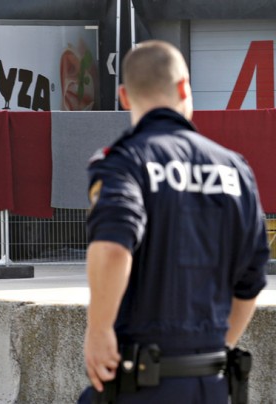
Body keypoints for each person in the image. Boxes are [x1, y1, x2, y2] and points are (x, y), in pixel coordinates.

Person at [78, 40, 269, 403]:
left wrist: (99, 329)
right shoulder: (235, 169)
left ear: (124, 97)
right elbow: (251, 279)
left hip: (141, 386)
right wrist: (214, 346)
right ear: (184, 87)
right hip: (212, 384)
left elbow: (113, 247)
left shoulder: (124, 162)